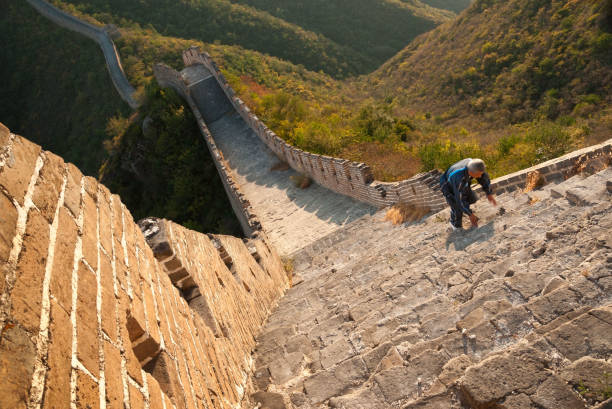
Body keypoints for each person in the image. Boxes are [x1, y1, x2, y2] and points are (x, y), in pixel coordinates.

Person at [439, 158, 497, 230]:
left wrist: (489, 193)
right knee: (456, 205)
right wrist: (470, 215)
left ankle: (466, 210)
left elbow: (484, 178)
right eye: (478, 174)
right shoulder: (458, 178)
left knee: (471, 198)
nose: (479, 176)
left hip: (462, 179)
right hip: (447, 185)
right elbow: (460, 199)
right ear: (471, 172)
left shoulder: (475, 165)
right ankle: (455, 224)